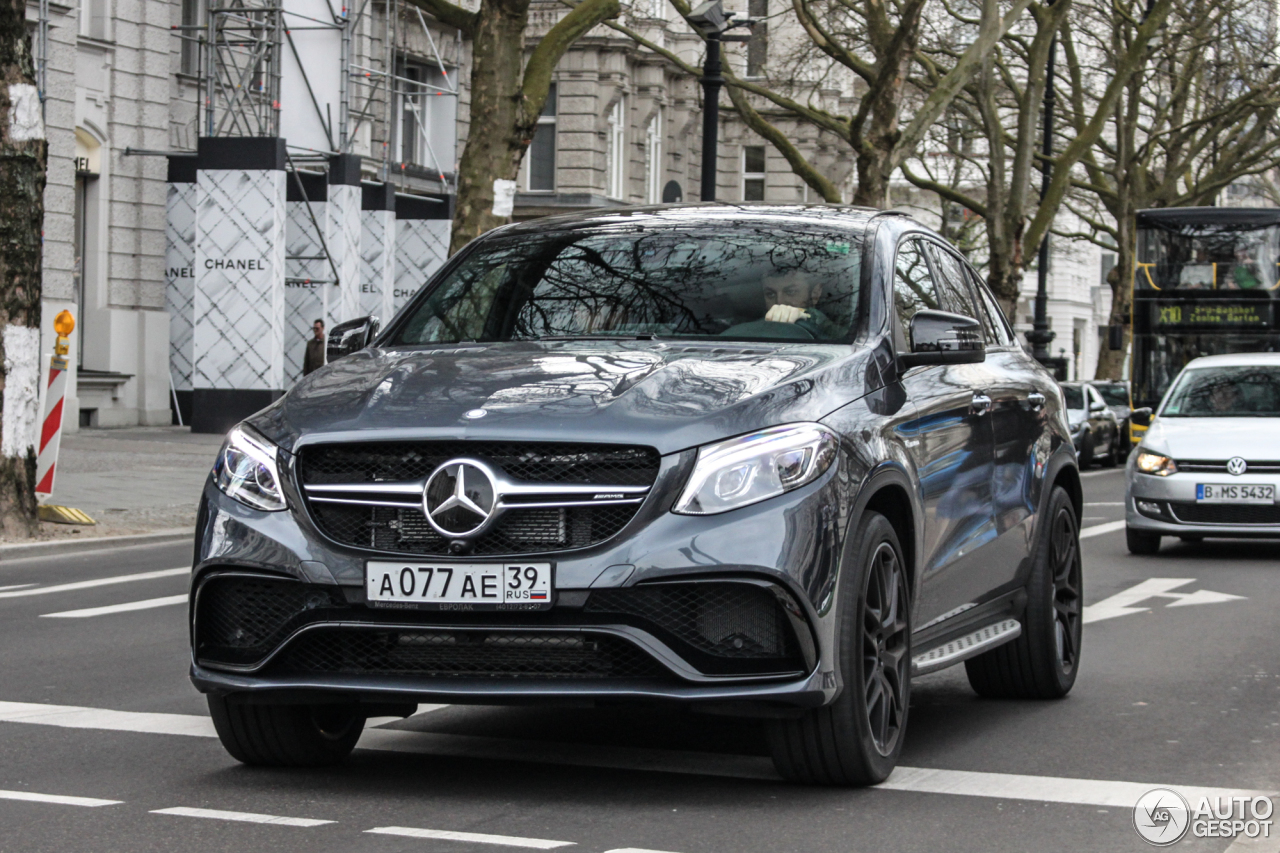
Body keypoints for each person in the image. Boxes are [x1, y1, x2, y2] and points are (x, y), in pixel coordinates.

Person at [760, 271, 839, 338]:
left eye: (791, 292)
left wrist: (812, 318)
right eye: (770, 294)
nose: (779, 302)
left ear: (815, 293)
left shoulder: (837, 333)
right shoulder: (751, 332)